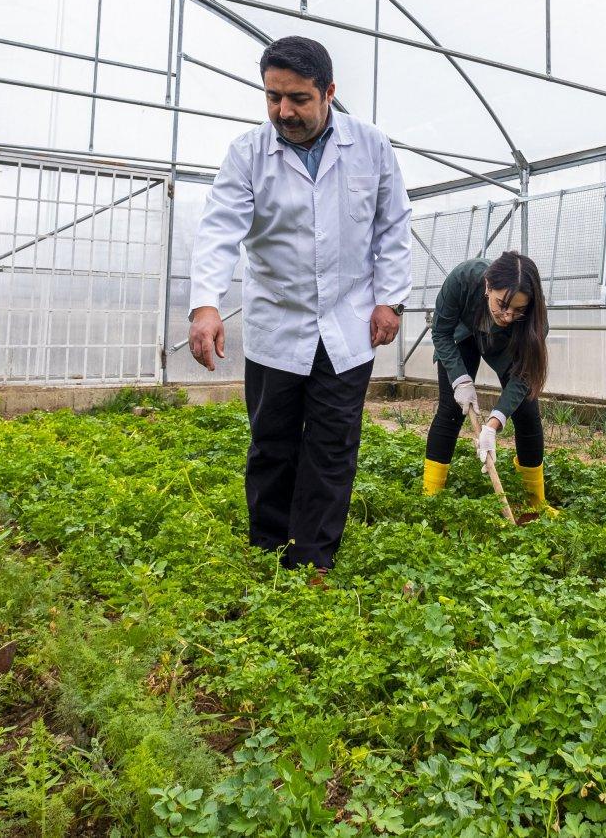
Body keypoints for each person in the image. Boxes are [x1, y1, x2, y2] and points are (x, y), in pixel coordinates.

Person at [187, 35, 411, 575]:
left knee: (332, 448)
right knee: (272, 443)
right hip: (277, 326)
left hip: (347, 323)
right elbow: (220, 230)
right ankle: (268, 550)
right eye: (272, 97)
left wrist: (391, 300)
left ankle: (313, 561)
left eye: (297, 98)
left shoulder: (371, 146)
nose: (282, 111)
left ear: (329, 92)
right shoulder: (248, 154)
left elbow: (393, 224)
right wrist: (205, 305)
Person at [421, 252, 556, 516]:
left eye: (518, 310)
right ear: (487, 286)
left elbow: (523, 375)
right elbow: (441, 332)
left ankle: (535, 503)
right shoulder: (463, 278)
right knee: (450, 410)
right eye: (502, 304)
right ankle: (430, 498)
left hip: (505, 345)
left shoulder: (533, 321)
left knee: (527, 411)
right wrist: (460, 379)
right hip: (461, 337)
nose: (507, 315)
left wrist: (494, 423)